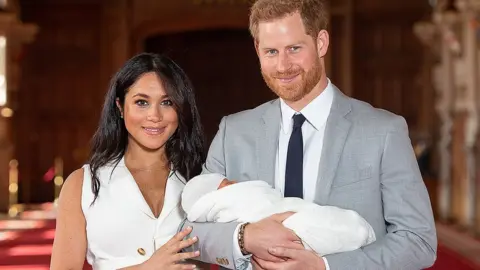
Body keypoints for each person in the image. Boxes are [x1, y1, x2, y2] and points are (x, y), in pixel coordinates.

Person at [182, 0, 437, 269]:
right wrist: (245, 238)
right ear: (257, 49)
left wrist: (324, 267)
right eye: (271, 51)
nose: (283, 65)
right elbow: (192, 232)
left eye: (294, 48)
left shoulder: (384, 131)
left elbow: (418, 241)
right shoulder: (233, 132)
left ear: (321, 43)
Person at [50, 53, 209, 270]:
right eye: (141, 102)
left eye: (167, 102)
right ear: (120, 107)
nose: (154, 115)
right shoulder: (82, 184)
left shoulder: (199, 179)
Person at [181, 173, 376, 256]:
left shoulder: (388, 129)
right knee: (308, 223)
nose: (235, 182)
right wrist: (245, 236)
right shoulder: (229, 130)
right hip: (287, 225)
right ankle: (356, 231)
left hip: (288, 214)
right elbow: (194, 235)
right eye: (228, 182)